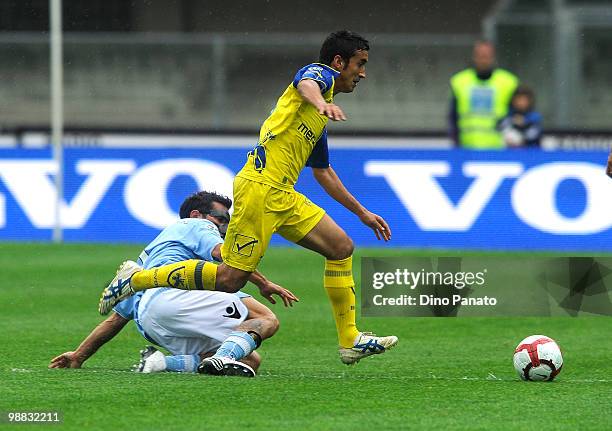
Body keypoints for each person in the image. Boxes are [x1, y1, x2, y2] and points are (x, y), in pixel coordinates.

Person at [99, 30, 398, 365]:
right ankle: (136, 278)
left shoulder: (316, 122)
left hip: (284, 195)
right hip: (259, 188)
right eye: (360, 63)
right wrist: (321, 102)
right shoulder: (319, 77)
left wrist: (362, 213)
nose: (363, 73)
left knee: (341, 247)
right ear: (339, 62)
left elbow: (323, 172)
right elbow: (306, 84)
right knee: (230, 279)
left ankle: (349, 340)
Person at [52, 191, 297, 377]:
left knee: (249, 359)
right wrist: (264, 283)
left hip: (151, 321)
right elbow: (226, 255)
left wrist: (78, 355)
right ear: (196, 215)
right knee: (265, 318)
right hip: (172, 296)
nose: (225, 224)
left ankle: (160, 363)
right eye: (221, 217)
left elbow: (115, 320)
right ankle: (221, 358)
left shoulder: (148, 257)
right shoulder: (196, 226)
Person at [449, 40, 519, 149]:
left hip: (499, 150)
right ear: (474, 57)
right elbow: (453, 117)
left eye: (486, 56)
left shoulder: (508, 82)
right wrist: (456, 143)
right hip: (467, 149)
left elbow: (517, 114)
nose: (483, 60)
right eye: (480, 56)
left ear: (493, 57)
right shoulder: (460, 81)